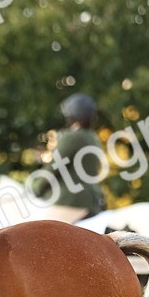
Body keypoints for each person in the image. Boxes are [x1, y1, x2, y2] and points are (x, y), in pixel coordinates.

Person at [46, 93, 107, 222]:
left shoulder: (72, 137)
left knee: (39, 233)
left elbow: (54, 167)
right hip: (94, 198)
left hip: (73, 200)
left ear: (71, 115)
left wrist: (36, 188)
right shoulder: (93, 137)